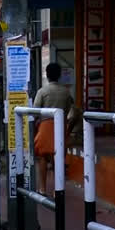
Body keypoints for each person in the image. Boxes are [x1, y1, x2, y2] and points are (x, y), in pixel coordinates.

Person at [33, 63, 74, 194]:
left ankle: (42, 188)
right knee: (58, 157)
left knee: (43, 157)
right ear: (59, 75)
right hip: (61, 125)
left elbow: (35, 111)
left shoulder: (42, 91)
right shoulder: (66, 91)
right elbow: (69, 109)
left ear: (47, 74)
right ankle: (58, 189)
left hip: (45, 125)